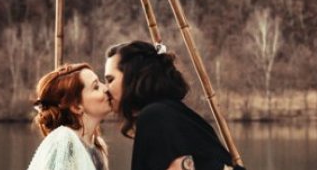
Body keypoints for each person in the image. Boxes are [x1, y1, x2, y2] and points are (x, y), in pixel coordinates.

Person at [105, 41, 243, 170]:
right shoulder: (174, 113)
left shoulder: (155, 117)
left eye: (110, 80)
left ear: (131, 76)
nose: (106, 89)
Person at [26, 63, 112, 170]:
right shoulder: (64, 142)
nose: (106, 88)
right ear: (76, 107)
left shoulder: (98, 146)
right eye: (96, 87)